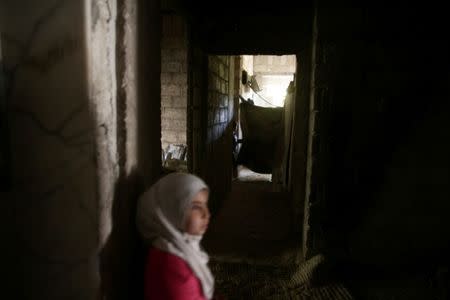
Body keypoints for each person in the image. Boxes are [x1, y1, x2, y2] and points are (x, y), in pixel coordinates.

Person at [136, 172, 215, 300]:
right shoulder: (172, 264)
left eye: (205, 205)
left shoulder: (181, 246)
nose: (206, 214)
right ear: (173, 210)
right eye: (196, 207)